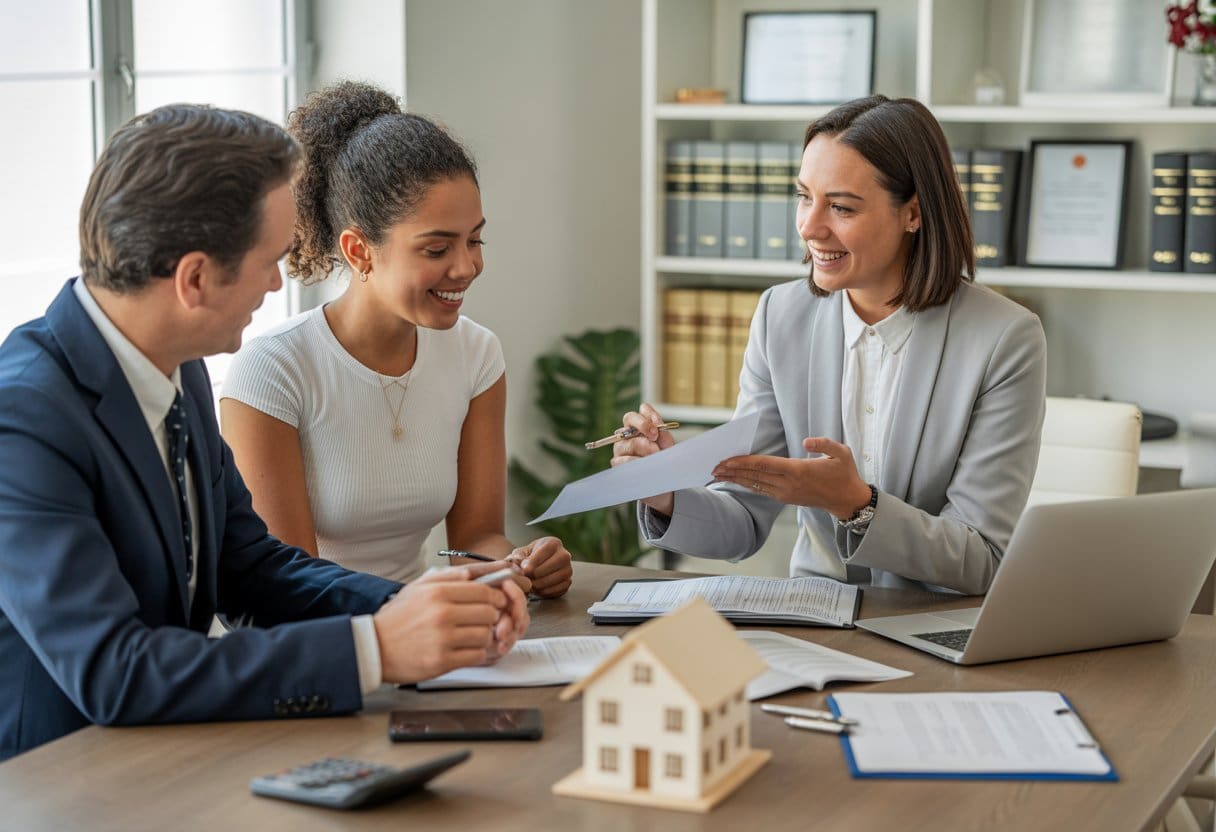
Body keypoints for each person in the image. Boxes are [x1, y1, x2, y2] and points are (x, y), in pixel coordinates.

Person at [0, 104, 529, 761]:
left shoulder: (181, 369)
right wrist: (378, 647)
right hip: (55, 778)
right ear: (195, 278)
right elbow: (116, 671)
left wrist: (421, 606)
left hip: (169, 754)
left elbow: (248, 568)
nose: (279, 281)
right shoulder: (22, 418)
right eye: (268, 261)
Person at [614, 95, 1047, 595]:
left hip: (941, 628)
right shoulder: (782, 316)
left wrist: (857, 505)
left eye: (840, 206)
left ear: (913, 213)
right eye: (804, 197)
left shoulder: (1004, 339)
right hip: (818, 617)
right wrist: (667, 491)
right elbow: (743, 519)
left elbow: (981, 559)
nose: (809, 226)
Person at [220, 82, 573, 597]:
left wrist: (520, 564)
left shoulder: (476, 355)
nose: (467, 266)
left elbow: (476, 537)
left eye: (475, 239)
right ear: (360, 250)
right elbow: (285, 586)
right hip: (321, 647)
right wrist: (410, 615)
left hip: (429, 634)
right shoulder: (273, 370)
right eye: (436, 250)